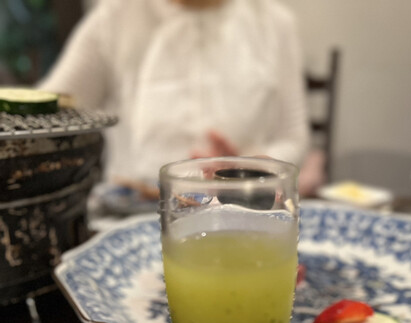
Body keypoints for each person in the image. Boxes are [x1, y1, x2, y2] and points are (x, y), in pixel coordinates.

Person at [38, 0, 310, 196]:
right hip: (133, 209)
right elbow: (47, 112)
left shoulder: (274, 22)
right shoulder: (115, 16)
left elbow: (293, 136)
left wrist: (248, 166)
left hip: (240, 207)